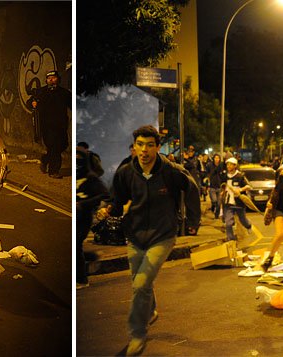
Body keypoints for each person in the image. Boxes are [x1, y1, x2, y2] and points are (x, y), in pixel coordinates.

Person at [96, 125, 199, 356]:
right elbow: (117, 199)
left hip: (163, 235)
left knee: (141, 284)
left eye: (149, 145)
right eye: (139, 145)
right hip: (134, 235)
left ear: (157, 147)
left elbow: (191, 187)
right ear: (134, 147)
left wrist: (193, 222)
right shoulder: (126, 173)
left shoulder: (170, 171)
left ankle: (137, 334)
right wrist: (108, 209)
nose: (144, 150)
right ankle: (150, 311)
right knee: (139, 281)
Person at [28, 70, 70, 179]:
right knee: (54, 147)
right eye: (48, 78)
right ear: (46, 80)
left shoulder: (64, 93)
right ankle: (53, 171)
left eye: (53, 77)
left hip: (61, 125)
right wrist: (33, 103)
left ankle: (45, 159)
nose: (51, 79)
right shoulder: (41, 92)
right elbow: (30, 102)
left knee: (63, 145)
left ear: (58, 79)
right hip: (47, 126)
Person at [76, 147, 108, 290]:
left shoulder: (90, 178)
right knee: (77, 246)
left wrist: (83, 204)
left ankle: (82, 279)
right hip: (76, 217)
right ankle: (91, 257)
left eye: (79, 159)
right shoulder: (76, 176)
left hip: (84, 217)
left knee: (76, 245)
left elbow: (104, 194)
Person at [221, 157, 254, 242]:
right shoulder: (225, 176)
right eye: (227, 164)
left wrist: (240, 190)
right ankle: (231, 240)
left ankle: (248, 226)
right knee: (228, 223)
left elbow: (248, 186)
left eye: (230, 164)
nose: (228, 166)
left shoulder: (240, 176)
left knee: (243, 220)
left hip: (239, 203)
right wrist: (222, 193)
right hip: (228, 202)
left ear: (235, 166)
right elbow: (222, 186)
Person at [207, 154, 225, 219]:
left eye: (218, 158)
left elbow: (223, 176)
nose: (217, 159)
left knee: (219, 203)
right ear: (213, 158)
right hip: (212, 187)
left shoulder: (221, 166)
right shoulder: (210, 165)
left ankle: (216, 215)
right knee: (214, 201)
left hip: (219, 187)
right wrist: (208, 185)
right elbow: (208, 175)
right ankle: (212, 208)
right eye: (215, 158)